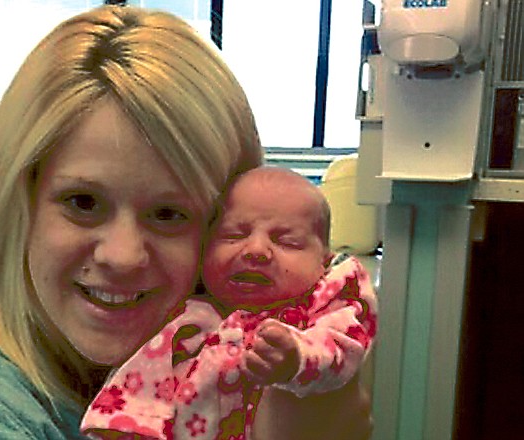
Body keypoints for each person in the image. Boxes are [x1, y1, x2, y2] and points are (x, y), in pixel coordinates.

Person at [0, 5, 372, 439]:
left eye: (170, 214)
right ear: (17, 205)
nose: (122, 255)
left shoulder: (202, 365)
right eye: (82, 202)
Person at [81, 166, 378, 439]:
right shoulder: (186, 313)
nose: (256, 250)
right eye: (233, 235)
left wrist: (297, 360)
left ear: (323, 262)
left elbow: (343, 346)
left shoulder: (321, 307)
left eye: (287, 241)